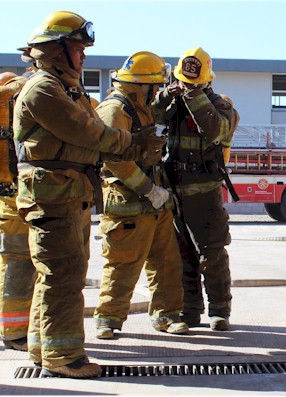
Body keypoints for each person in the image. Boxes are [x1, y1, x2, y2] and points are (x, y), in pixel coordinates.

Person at [13, 11, 164, 378]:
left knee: (60, 273)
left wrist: (131, 144)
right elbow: (90, 134)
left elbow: (94, 132)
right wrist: (136, 142)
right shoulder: (43, 89)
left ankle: (42, 346)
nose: (83, 56)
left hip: (69, 194)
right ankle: (63, 358)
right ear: (56, 50)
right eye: (78, 48)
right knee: (62, 275)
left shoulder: (68, 90)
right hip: (53, 196)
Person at [93, 51, 188, 339]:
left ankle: (167, 316)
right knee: (123, 262)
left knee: (166, 261)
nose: (157, 91)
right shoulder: (114, 111)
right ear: (141, 86)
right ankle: (108, 319)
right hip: (129, 201)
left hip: (155, 200)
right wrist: (149, 190)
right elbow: (115, 160)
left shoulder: (140, 106)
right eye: (155, 86)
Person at [152, 47, 239, 331]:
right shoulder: (173, 104)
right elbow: (149, 117)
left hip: (205, 195)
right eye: (183, 82)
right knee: (181, 255)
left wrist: (193, 95)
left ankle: (219, 311)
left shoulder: (222, 105)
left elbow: (214, 129)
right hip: (174, 192)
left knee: (211, 253)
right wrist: (166, 95)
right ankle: (190, 310)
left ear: (206, 82)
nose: (185, 87)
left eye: (192, 83)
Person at [0, 71, 35, 352]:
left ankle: (15, 330)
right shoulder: (28, 97)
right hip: (25, 197)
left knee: (15, 267)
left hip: (8, 200)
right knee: (20, 267)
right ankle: (14, 331)